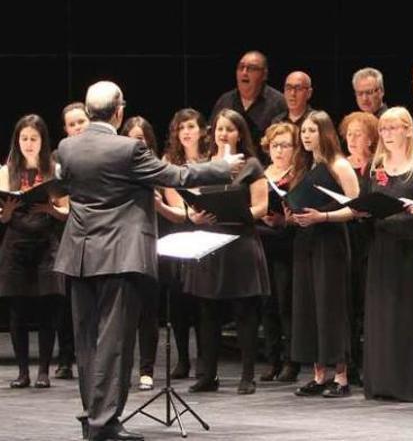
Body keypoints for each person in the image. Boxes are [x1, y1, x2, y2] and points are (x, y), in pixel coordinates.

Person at [54, 81, 240, 441]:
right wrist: (220, 166)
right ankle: (104, 423)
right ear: (119, 110)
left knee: (87, 340)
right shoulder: (127, 149)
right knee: (114, 342)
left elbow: (68, 188)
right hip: (120, 256)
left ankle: (93, 416)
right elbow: (177, 176)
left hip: (79, 254)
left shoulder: (68, 146)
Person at [183, 109, 271, 397]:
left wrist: (240, 212)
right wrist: (193, 216)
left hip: (240, 242)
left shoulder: (252, 166)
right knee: (207, 312)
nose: (224, 134)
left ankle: (247, 375)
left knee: (244, 311)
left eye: (230, 129)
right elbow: (192, 201)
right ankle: (208, 375)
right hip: (210, 243)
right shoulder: (206, 166)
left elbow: (261, 206)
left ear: (240, 134)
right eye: (220, 129)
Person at [362, 107, 413, 401]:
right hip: (382, 249)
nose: (387, 134)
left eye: (393, 128)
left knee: (409, 319)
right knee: (383, 318)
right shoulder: (377, 167)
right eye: (383, 129)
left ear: (409, 129)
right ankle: (383, 383)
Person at [287, 111, 360, 398]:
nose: (305, 136)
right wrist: (288, 217)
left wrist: (324, 217)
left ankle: (341, 377)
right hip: (305, 241)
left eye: (311, 131)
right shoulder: (303, 165)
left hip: (331, 241)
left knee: (331, 307)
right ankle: (319, 375)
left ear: (324, 133)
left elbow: (356, 207)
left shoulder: (338, 165)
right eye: (303, 131)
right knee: (308, 307)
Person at [0, 115, 67, 389]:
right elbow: (2, 219)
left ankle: (43, 372)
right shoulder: (6, 170)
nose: (28, 144)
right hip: (16, 244)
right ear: (18, 141)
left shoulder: (54, 168)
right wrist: (8, 211)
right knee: (17, 311)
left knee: (47, 309)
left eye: (34, 139)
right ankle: (23, 372)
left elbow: (66, 212)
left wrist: (51, 208)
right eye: (24, 138)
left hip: (46, 243)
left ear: (43, 141)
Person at [160, 108, 212, 380]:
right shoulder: (169, 161)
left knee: (204, 303)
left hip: (208, 233)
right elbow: (175, 204)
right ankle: (182, 359)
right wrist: (190, 215)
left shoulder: (212, 159)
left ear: (202, 130)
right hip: (181, 230)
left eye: (191, 126)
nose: (186, 132)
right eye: (181, 128)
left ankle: (205, 360)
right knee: (178, 302)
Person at [120, 117, 162, 392]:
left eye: (141, 138)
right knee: (123, 313)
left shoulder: (156, 167)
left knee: (149, 311)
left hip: (151, 242)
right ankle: (121, 370)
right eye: (132, 138)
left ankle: (147, 369)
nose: (138, 142)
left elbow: (174, 207)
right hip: (122, 245)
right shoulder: (117, 167)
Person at [256, 122, 300, 383]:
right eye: (275, 145)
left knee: (286, 303)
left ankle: (290, 361)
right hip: (264, 243)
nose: (279, 150)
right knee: (267, 303)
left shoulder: (297, 174)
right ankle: (271, 359)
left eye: (285, 145)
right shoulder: (263, 174)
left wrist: (285, 221)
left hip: (288, 243)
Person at [337, 111, 379, 384]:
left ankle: (371, 365)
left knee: (368, 304)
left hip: (371, 238)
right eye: (349, 134)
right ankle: (348, 363)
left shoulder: (378, 166)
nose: (352, 139)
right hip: (345, 237)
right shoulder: (340, 166)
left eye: (358, 133)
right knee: (346, 304)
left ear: (371, 138)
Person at [55, 102, 90, 381]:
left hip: (94, 234)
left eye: (81, 121)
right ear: (65, 130)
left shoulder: (100, 150)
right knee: (66, 303)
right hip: (63, 232)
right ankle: (65, 357)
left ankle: (89, 358)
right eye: (72, 124)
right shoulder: (61, 154)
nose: (77, 127)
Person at [212, 50, 287, 139]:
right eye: (241, 67)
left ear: (264, 74)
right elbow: (211, 133)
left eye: (251, 68)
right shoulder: (225, 100)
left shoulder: (279, 102)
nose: (244, 72)